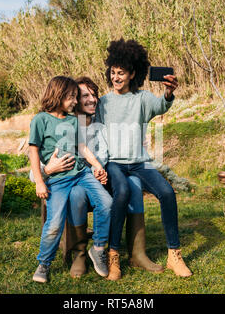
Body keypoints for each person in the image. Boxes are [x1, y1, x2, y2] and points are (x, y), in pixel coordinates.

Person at [33, 76, 164, 279]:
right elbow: (35, 170)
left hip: (93, 179)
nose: (92, 99)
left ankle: (135, 253)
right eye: (84, 95)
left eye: (94, 95)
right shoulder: (52, 123)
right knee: (77, 194)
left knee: (134, 184)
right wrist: (48, 170)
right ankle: (79, 254)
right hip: (64, 181)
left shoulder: (100, 128)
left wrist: (130, 148)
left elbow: (108, 155)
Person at [96, 38, 193, 280]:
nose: (116, 77)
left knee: (168, 193)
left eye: (121, 73)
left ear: (132, 74)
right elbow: (96, 131)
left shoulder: (143, 98)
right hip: (115, 163)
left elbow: (162, 105)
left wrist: (169, 91)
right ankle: (114, 256)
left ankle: (174, 255)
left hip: (140, 162)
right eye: (113, 72)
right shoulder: (104, 102)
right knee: (122, 194)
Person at [29, 76, 112, 283]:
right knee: (54, 222)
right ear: (58, 94)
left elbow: (82, 148)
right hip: (57, 181)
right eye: (72, 97)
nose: (75, 102)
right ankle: (44, 264)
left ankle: (99, 248)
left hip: (81, 174)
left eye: (76, 97)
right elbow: (33, 152)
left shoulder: (73, 120)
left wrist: (97, 165)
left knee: (106, 202)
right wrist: (40, 181)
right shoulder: (40, 120)